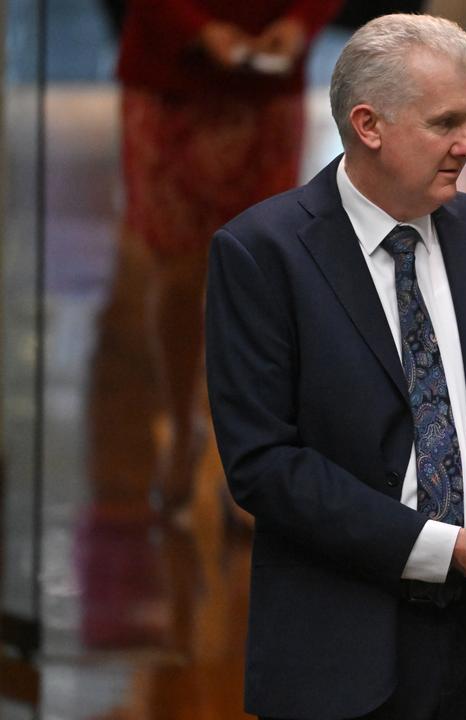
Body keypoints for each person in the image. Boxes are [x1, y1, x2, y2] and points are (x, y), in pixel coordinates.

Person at [204, 13, 466, 719]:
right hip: (341, 657)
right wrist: (444, 548)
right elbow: (264, 464)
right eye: (445, 125)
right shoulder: (262, 254)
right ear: (368, 125)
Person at [79, 0, 340, 650]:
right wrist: (199, 30)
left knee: (256, 274)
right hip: (172, 77)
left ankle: (241, 451)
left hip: (267, 80)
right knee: (176, 269)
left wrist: (301, 23)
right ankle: (181, 427)